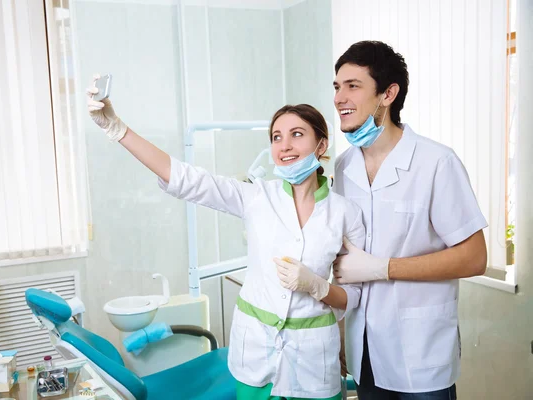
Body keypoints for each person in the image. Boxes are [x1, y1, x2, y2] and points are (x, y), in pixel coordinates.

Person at [86, 78, 366, 400]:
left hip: (313, 360)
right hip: (256, 355)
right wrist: (119, 130)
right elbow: (185, 178)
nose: (284, 145)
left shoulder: (346, 213)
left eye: (297, 134)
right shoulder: (256, 196)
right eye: (276, 137)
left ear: (321, 144)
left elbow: (355, 295)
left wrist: (318, 287)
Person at [331, 41, 488, 399]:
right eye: (337, 87)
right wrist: (340, 332)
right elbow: (345, 259)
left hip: (420, 355)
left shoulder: (436, 163)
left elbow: (475, 257)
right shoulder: (343, 167)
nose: (340, 97)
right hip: (364, 350)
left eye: (353, 86)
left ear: (388, 93)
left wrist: (382, 267)